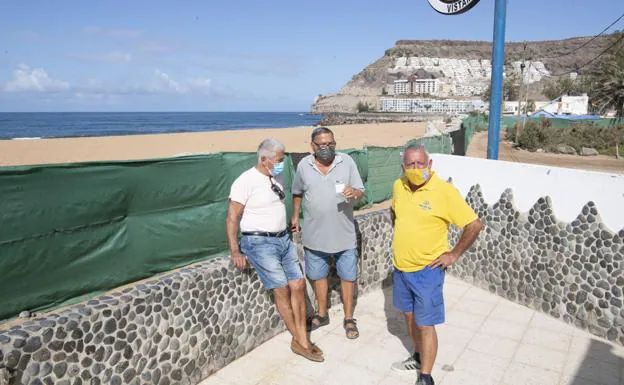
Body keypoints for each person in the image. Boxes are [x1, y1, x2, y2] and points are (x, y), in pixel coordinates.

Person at [390, 144, 482, 385]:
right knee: (410, 319)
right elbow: (395, 214)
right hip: (401, 268)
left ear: (429, 165)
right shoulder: (398, 186)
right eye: (410, 164)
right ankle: (418, 356)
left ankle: (426, 376)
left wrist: (453, 254)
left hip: (427, 272)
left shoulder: (444, 191)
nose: (415, 168)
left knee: (425, 324)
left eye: (420, 163)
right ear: (403, 167)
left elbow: (474, 225)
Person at [226, 138, 323, 362]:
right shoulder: (245, 181)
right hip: (259, 242)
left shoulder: (275, 176)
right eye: (279, 160)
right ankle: (302, 341)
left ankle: (300, 339)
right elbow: (232, 217)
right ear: (264, 159)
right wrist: (235, 250)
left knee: (298, 285)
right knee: (281, 289)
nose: (282, 163)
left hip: (283, 239)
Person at [291, 127, 365, 340]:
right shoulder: (304, 165)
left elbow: (361, 190)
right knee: (317, 276)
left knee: (348, 277)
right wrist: (295, 216)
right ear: (312, 146)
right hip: (314, 235)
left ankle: (349, 318)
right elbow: (297, 192)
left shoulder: (347, 162)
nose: (326, 148)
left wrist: (355, 193)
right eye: (321, 145)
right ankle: (322, 314)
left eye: (330, 144)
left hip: (344, 235)